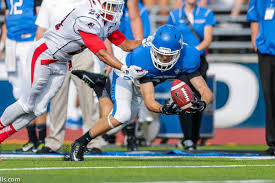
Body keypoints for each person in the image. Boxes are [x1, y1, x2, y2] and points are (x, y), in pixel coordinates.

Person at [0, 0, 148, 143]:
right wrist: (124, 68)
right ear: (99, 3)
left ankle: (2, 136)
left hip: (61, 61)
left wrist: (148, 42)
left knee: (37, 109)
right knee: (26, 104)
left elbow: (125, 44)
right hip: (43, 54)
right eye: (111, 6)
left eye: (117, 7)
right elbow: (101, 53)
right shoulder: (88, 17)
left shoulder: (104, 18)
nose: (115, 11)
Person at [70, 25, 213, 161]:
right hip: (128, 74)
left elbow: (205, 91)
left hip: (141, 82)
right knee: (121, 115)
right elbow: (149, 102)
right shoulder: (142, 57)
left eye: (168, 55)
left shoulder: (189, 57)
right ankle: (80, 142)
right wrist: (163, 109)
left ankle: (100, 87)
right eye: (160, 53)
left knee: (113, 129)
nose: (163, 58)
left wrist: (202, 103)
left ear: (179, 52)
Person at [34, 0, 106, 154]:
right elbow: (41, 30)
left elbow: (102, 28)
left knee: (88, 97)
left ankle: (92, 142)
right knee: (56, 97)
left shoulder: (89, 1)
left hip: (83, 49)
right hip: (57, 52)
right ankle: (53, 142)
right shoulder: (49, 2)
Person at [166, 0, 216, 150]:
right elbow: (172, 37)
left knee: (199, 97)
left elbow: (208, 40)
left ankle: (194, 137)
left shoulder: (206, 13)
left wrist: (192, 52)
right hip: (180, 61)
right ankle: (187, 138)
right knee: (183, 96)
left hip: (199, 60)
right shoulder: (174, 15)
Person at [0, 0, 47, 153]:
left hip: (30, 40)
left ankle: (42, 140)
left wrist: (40, 44)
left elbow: (42, 18)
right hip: (12, 42)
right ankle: (31, 139)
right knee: (19, 93)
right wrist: (2, 43)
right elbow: (7, 17)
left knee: (35, 91)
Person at [247, 0, 275, 155]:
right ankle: (273, 144)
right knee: (269, 98)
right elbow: (255, 19)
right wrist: (255, 40)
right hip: (265, 53)